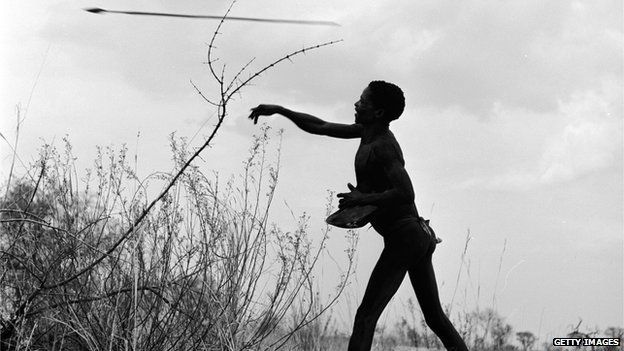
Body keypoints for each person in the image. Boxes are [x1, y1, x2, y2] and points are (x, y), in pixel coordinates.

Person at [249, 81, 468, 351]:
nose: (356, 104)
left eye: (363, 101)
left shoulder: (384, 146)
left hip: (406, 236)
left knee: (365, 316)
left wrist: (364, 199)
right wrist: (281, 110)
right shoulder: (366, 134)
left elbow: (405, 193)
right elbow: (322, 127)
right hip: (415, 237)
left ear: (377, 112)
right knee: (434, 317)